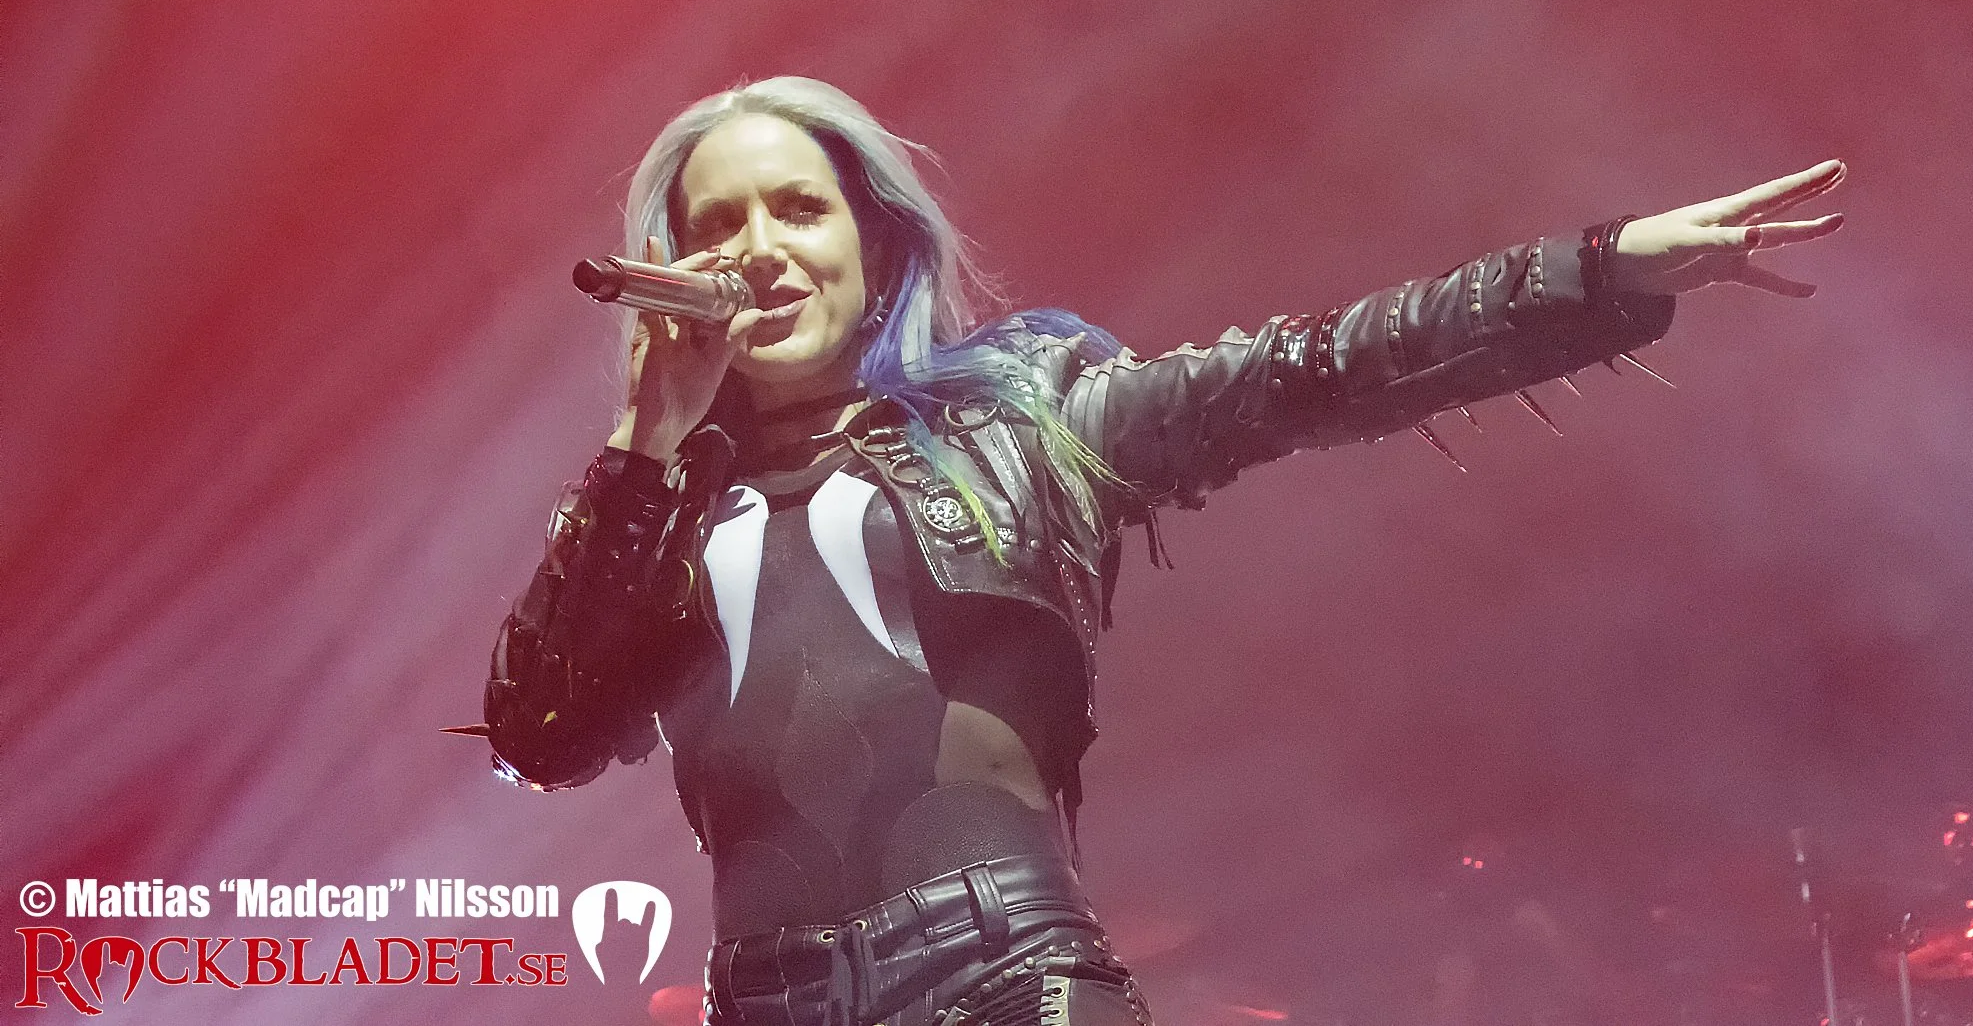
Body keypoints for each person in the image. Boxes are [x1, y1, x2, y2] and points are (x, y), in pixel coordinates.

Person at [483, 76, 1845, 1026]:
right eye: (716, 227)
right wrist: (643, 447)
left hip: (1001, 979)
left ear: (872, 241)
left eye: (797, 209)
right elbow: (540, 732)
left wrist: (1597, 266)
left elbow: (1315, 369)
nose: (757, 251)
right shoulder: (653, 507)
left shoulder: (1027, 421)